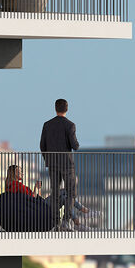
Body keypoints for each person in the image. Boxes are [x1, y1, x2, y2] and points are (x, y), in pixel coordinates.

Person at [40, 98, 79, 230]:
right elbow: (75, 146)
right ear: (67, 109)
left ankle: (55, 222)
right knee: (71, 192)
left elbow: (42, 145)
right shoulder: (70, 125)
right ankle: (65, 220)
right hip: (67, 164)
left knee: (55, 193)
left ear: (55, 108)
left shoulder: (47, 125)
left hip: (52, 163)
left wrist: (48, 159)